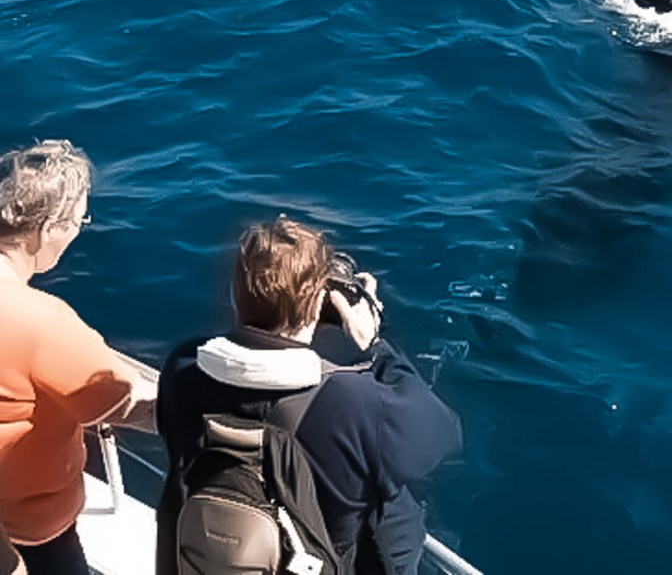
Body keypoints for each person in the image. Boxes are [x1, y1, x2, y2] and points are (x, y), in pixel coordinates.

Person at [156, 214, 463, 575]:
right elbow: (444, 435)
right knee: (395, 511)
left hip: (205, 554)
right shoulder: (355, 404)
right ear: (318, 305)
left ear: (236, 295)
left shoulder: (182, 368)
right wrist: (377, 347)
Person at [0, 139, 157, 575]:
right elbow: (129, 405)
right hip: (32, 529)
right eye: (77, 220)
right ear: (49, 227)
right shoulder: (43, 323)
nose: (75, 232)